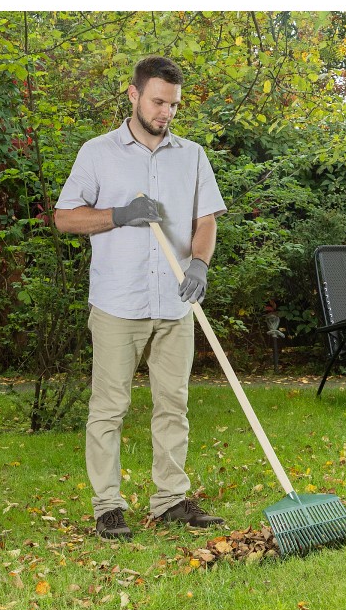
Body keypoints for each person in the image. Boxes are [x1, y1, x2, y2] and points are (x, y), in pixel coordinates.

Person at [54, 55, 227, 541]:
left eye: (173, 104)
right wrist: (120, 214)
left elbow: (207, 219)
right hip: (117, 303)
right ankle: (107, 505)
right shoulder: (97, 153)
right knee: (109, 407)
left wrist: (199, 262)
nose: (166, 112)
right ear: (133, 95)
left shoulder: (191, 155)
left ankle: (170, 499)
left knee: (173, 403)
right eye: (157, 101)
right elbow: (65, 218)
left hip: (174, 305)